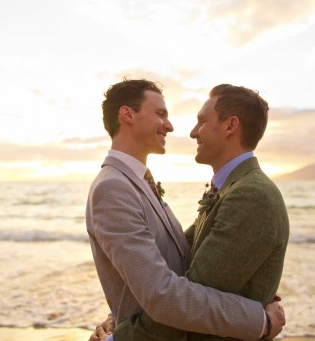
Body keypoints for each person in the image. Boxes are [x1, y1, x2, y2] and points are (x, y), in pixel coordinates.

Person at [86, 79, 286, 341]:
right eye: (160, 114)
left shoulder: (248, 194)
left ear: (231, 125)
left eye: (202, 121)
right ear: (127, 115)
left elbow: (179, 267)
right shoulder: (113, 187)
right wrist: (260, 319)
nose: (173, 126)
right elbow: (163, 294)